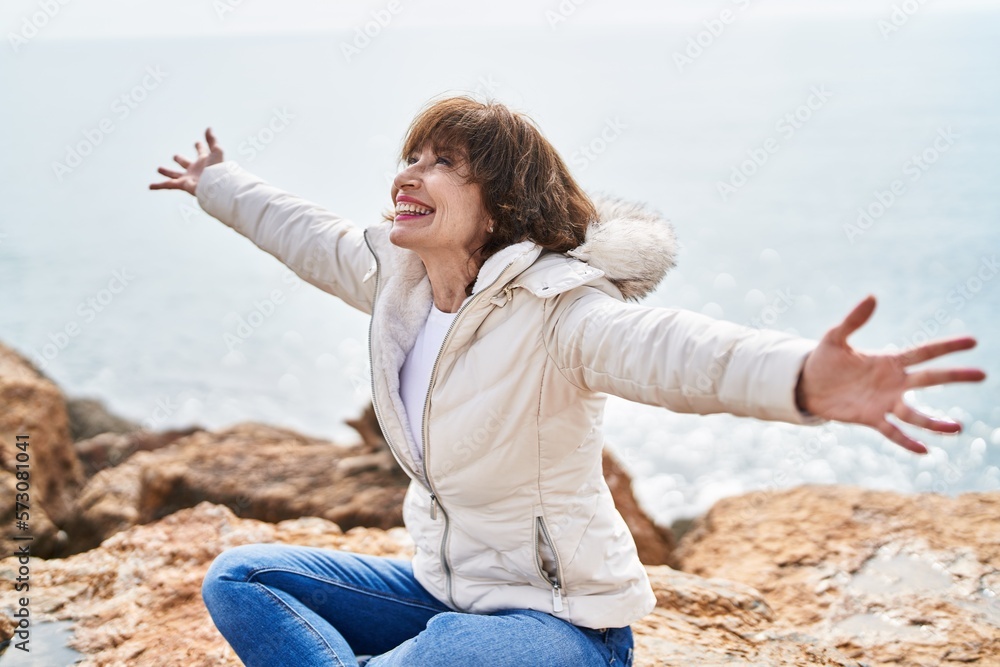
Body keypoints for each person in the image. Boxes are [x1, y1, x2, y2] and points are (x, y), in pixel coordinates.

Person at [149, 96, 985, 666]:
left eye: (443, 162)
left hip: (561, 626)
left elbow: (679, 351)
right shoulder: (396, 283)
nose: (409, 172)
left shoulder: (561, 313)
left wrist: (805, 379)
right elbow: (305, 232)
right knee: (240, 578)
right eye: (410, 155)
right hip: (445, 596)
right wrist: (214, 182)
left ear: (500, 208)